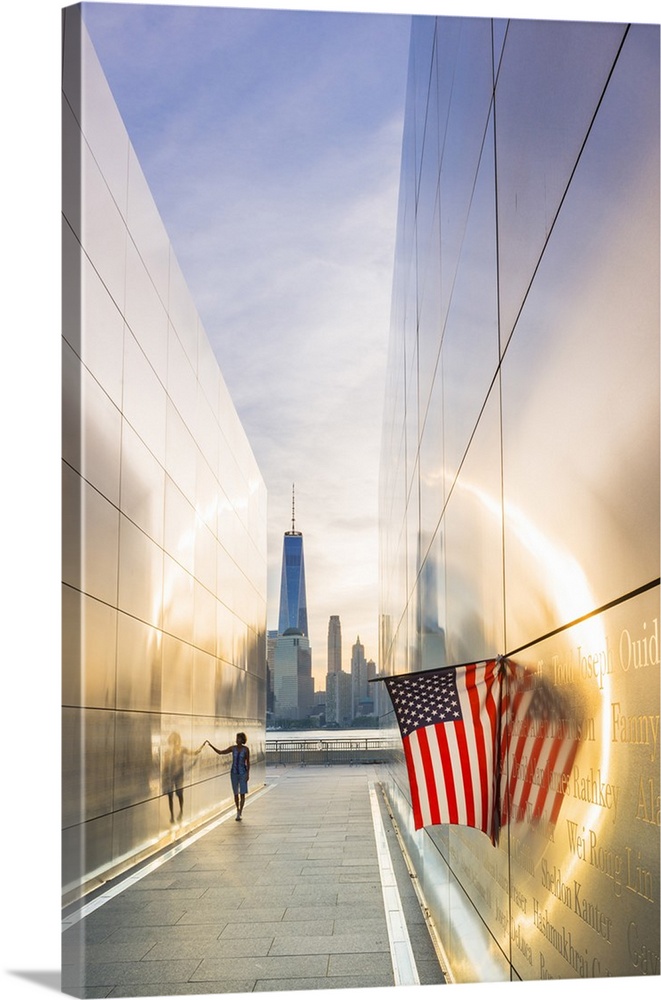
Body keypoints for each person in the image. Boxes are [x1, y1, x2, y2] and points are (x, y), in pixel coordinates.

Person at [205, 732, 250, 820]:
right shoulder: (233, 748)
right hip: (234, 773)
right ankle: (237, 809)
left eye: (239, 738)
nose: (237, 740)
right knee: (236, 793)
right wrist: (211, 746)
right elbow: (221, 752)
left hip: (243, 773)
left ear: (242, 739)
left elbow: (247, 762)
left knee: (242, 793)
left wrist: (248, 774)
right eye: (236, 738)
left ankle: (240, 811)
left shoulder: (246, 750)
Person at [162, 731, 204, 824]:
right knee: (170, 795)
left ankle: (180, 812)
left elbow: (193, 753)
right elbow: (165, 766)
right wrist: (164, 778)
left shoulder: (182, 749)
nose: (174, 742)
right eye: (172, 740)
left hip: (179, 775)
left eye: (175, 740)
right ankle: (172, 815)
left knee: (179, 794)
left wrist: (200, 749)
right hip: (170, 776)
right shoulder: (167, 752)